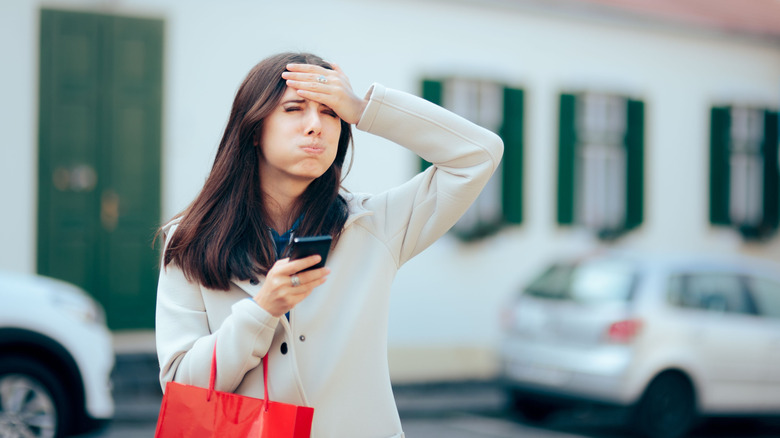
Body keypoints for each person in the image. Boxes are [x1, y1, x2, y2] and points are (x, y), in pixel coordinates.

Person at [155, 52, 503, 438]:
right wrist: (261, 311)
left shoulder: (374, 225)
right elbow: (181, 388)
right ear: (254, 129)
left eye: (329, 112)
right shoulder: (189, 240)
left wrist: (362, 106)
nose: (315, 126)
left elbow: (479, 155)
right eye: (294, 108)